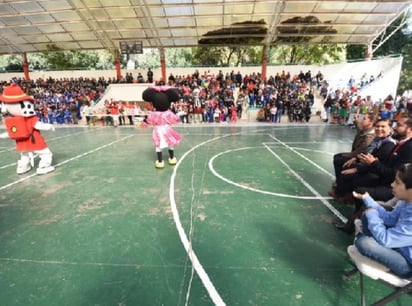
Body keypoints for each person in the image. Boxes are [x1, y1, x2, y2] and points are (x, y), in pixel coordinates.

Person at [352, 163, 412, 278]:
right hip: (398, 245)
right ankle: (368, 235)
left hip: (407, 265)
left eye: (397, 182)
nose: (392, 184)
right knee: (368, 214)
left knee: (364, 243)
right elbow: (390, 218)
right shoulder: (405, 201)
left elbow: (386, 240)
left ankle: (365, 236)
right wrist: (367, 199)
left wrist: (371, 213)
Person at [330, 118, 396, 200]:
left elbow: (375, 165)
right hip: (368, 166)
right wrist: (356, 159)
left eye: (383, 127)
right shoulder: (377, 140)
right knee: (343, 164)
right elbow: (368, 154)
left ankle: (345, 195)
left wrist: (356, 169)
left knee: (346, 173)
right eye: (377, 126)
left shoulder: (388, 145)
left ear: (390, 129)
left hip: (375, 173)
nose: (379, 129)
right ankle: (342, 190)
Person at [331, 112, 376, 186]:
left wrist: (350, 156)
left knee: (338, 159)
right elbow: (359, 128)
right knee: (337, 157)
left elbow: (362, 150)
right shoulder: (364, 130)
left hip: (360, 157)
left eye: (364, 119)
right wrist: (356, 119)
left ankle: (340, 183)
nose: (362, 120)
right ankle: (338, 180)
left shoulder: (370, 135)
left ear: (371, 122)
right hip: (355, 155)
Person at [142, 86, 182, 169]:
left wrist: (145, 122)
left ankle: (160, 162)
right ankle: (172, 159)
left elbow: (149, 120)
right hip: (167, 129)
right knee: (171, 143)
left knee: (158, 145)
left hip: (158, 130)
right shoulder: (168, 112)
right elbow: (175, 118)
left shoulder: (154, 113)